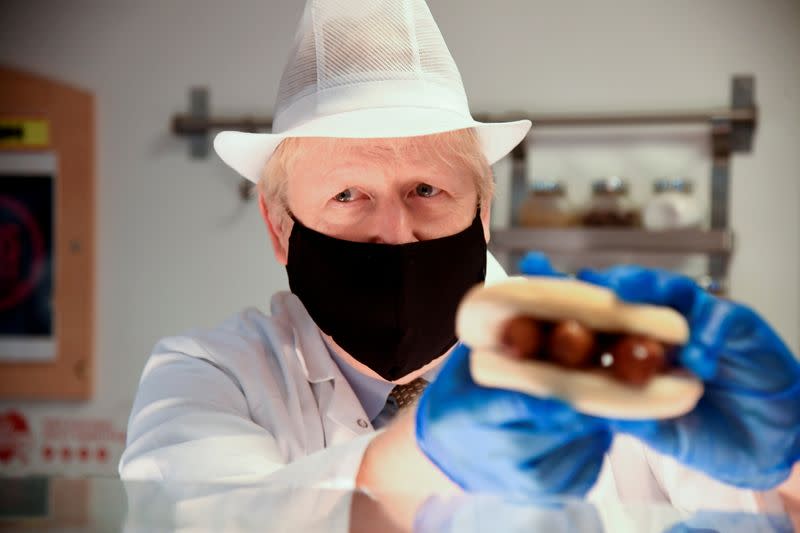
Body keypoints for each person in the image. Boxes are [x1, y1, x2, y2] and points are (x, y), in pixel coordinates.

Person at [120, 0, 799, 530]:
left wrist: (788, 457)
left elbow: (777, 504)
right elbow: (188, 518)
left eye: (427, 190)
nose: (395, 232)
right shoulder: (211, 375)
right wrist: (426, 455)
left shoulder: (590, 353)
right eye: (347, 195)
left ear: (482, 212)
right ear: (279, 227)